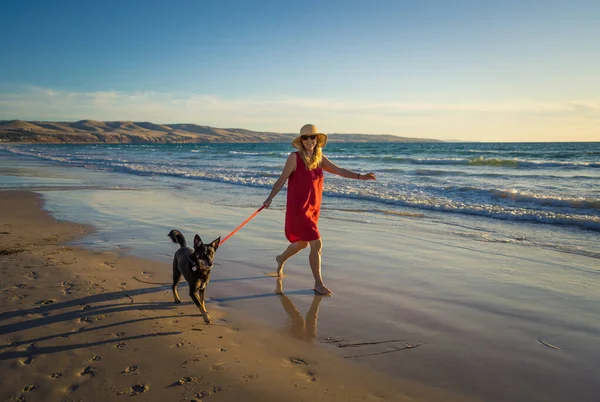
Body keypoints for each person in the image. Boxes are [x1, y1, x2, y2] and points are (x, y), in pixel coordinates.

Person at [263, 124, 376, 295]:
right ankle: (318, 283)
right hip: (299, 208)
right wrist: (270, 198)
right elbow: (281, 179)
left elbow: (339, 170)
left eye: (312, 137)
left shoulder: (319, 159)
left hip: (313, 207)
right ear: (301, 141)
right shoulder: (294, 158)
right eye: (305, 137)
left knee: (302, 243)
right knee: (317, 243)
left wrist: (360, 177)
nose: (309, 140)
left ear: (317, 140)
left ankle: (281, 258)